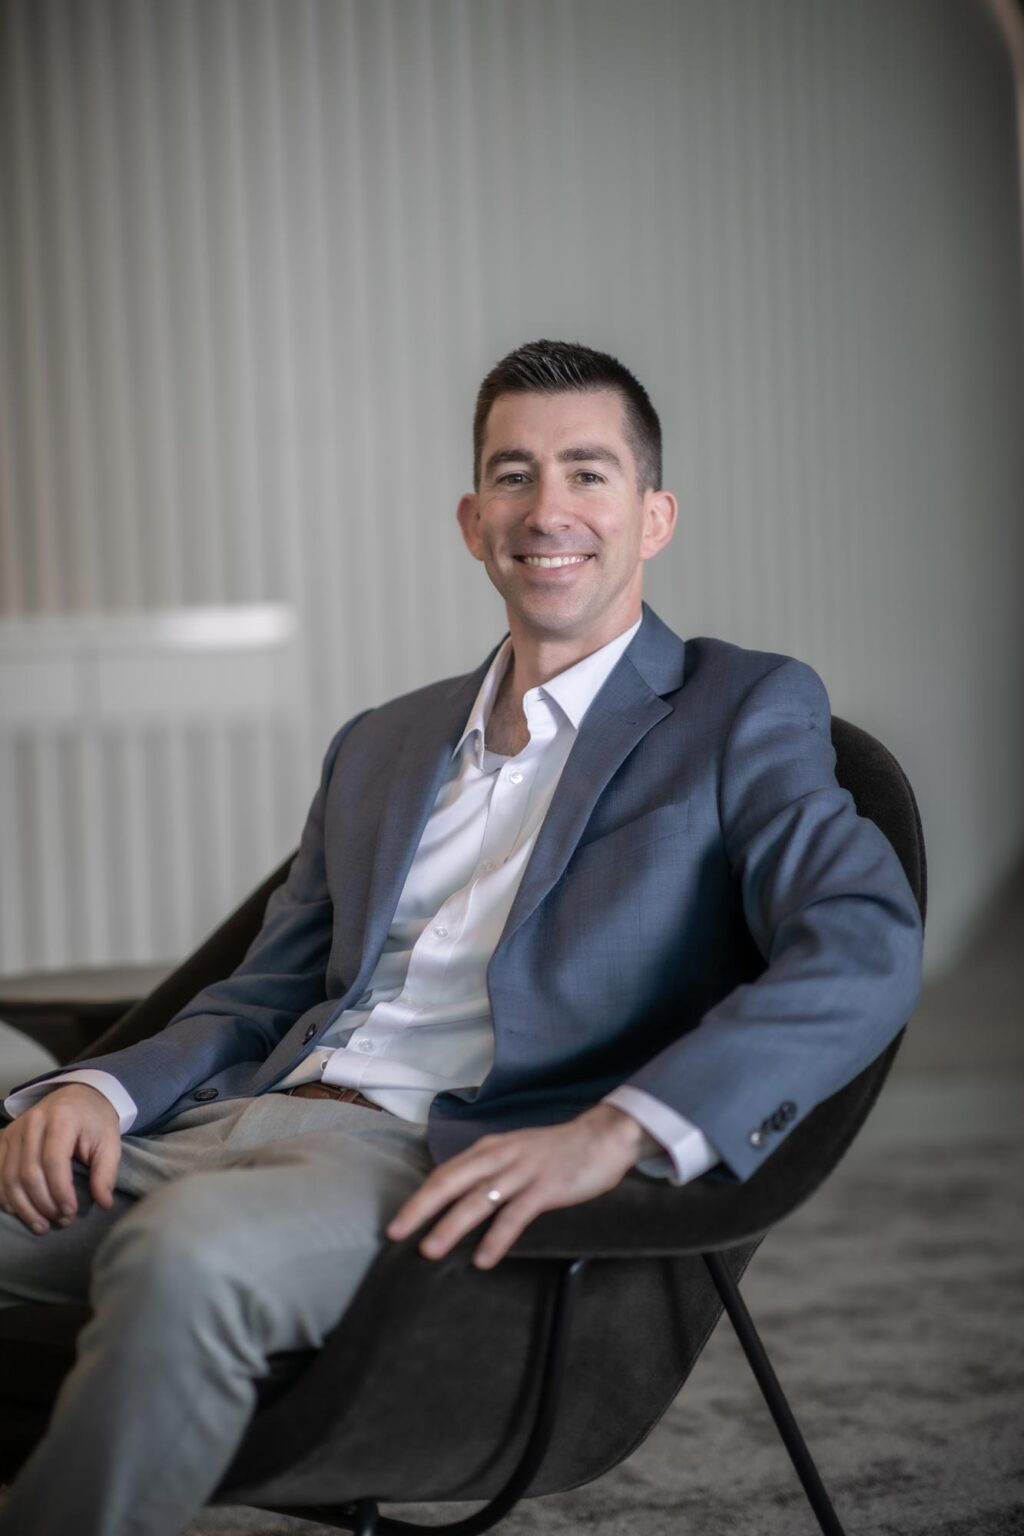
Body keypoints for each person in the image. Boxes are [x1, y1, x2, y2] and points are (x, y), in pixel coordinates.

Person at [0, 339, 923, 1536]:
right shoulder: (382, 741)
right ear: (471, 516)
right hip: (224, 1123)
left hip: (423, 1158)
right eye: (513, 474)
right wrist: (98, 1092)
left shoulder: (738, 709)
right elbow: (262, 992)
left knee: (191, 1257)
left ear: (655, 516)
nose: (548, 511)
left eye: (587, 474)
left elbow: (861, 943)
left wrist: (614, 1133)